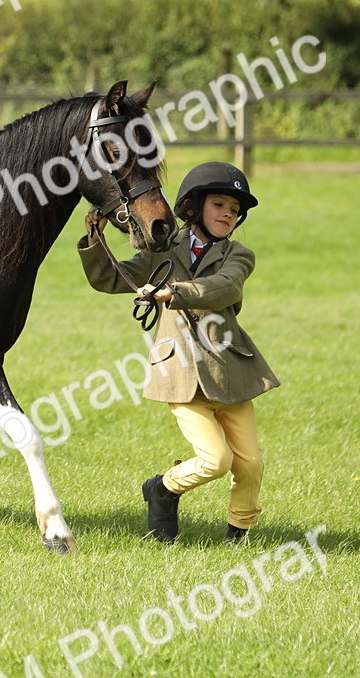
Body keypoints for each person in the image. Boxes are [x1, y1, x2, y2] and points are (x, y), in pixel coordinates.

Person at [78, 162, 279, 544]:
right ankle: (163, 489)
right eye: (219, 204)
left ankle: (239, 536)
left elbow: (225, 287)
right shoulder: (163, 251)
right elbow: (110, 278)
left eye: (234, 210)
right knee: (215, 461)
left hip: (230, 372)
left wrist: (176, 291)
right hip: (181, 375)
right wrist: (94, 242)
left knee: (250, 463)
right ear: (193, 206)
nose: (228, 214)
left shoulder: (240, 255)